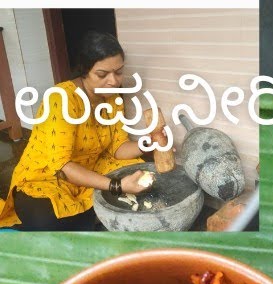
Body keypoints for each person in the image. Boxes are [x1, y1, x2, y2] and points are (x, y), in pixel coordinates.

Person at [0, 31, 163, 231]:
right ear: (84, 71)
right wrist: (116, 186)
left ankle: (95, 216)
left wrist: (148, 142)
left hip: (92, 166)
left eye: (119, 72)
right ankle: (101, 214)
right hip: (49, 176)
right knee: (46, 219)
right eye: (102, 75)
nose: (113, 81)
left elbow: (117, 147)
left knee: (145, 176)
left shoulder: (112, 98)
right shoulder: (60, 99)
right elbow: (63, 167)